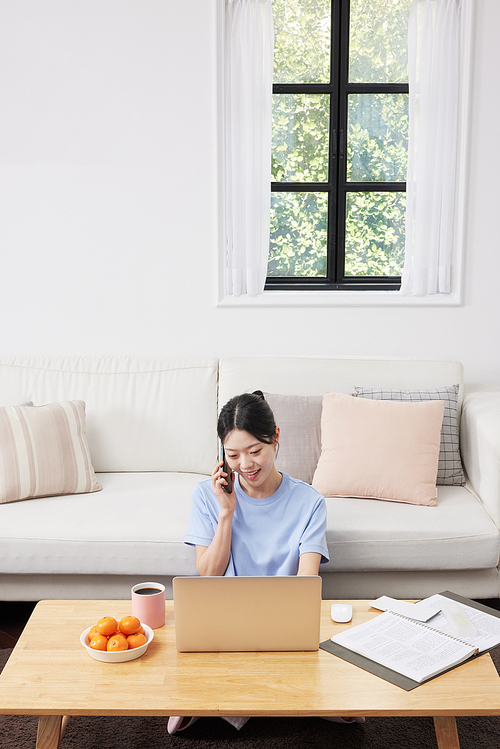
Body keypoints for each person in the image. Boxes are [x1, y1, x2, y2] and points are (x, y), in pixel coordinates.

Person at [167, 391, 363, 735]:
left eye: (255, 451)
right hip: (224, 629)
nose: (245, 465)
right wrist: (226, 513)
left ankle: (247, 700)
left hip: (285, 629)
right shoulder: (207, 495)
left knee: (338, 690)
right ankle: (275, 699)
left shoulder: (309, 502)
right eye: (233, 455)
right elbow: (208, 574)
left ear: (275, 437)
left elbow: (306, 585)